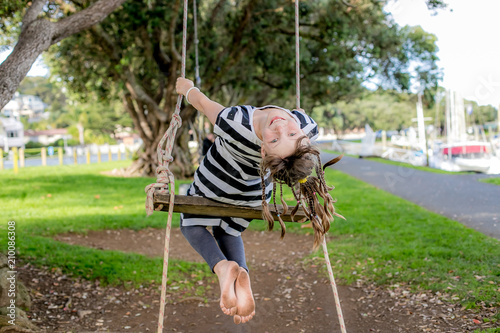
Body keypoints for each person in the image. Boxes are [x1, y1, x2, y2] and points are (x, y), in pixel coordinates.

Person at [175, 77, 342, 325]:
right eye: (292, 133)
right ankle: (241, 271)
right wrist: (297, 117)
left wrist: (187, 88)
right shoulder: (306, 126)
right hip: (254, 196)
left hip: (214, 185)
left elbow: (201, 101)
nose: (281, 127)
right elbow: (297, 131)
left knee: (190, 224)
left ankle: (221, 267)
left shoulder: (236, 122)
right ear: (304, 136)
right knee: (229, 231)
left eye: (274, 140)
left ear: (264, 152)